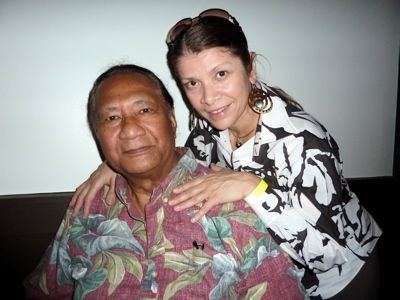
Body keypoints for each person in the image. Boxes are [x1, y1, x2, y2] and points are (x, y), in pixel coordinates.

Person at [70, 9, 383, 299]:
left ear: (250, 68)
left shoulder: (303, 142)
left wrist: (253, 188)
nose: (208, 98)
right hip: (279, 277)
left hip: (342, 281)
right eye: (192, 83)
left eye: (221, 74)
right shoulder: (211, 124)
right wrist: (120, 161)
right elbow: (180, 158)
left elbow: (330, 255)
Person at [24, 64, 306, 299]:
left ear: (172, 120)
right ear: (99, 136)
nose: (130, 129)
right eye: (112, 118)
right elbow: (44, 291)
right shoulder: (87, 207)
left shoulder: (231, 204)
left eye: (144, 110)